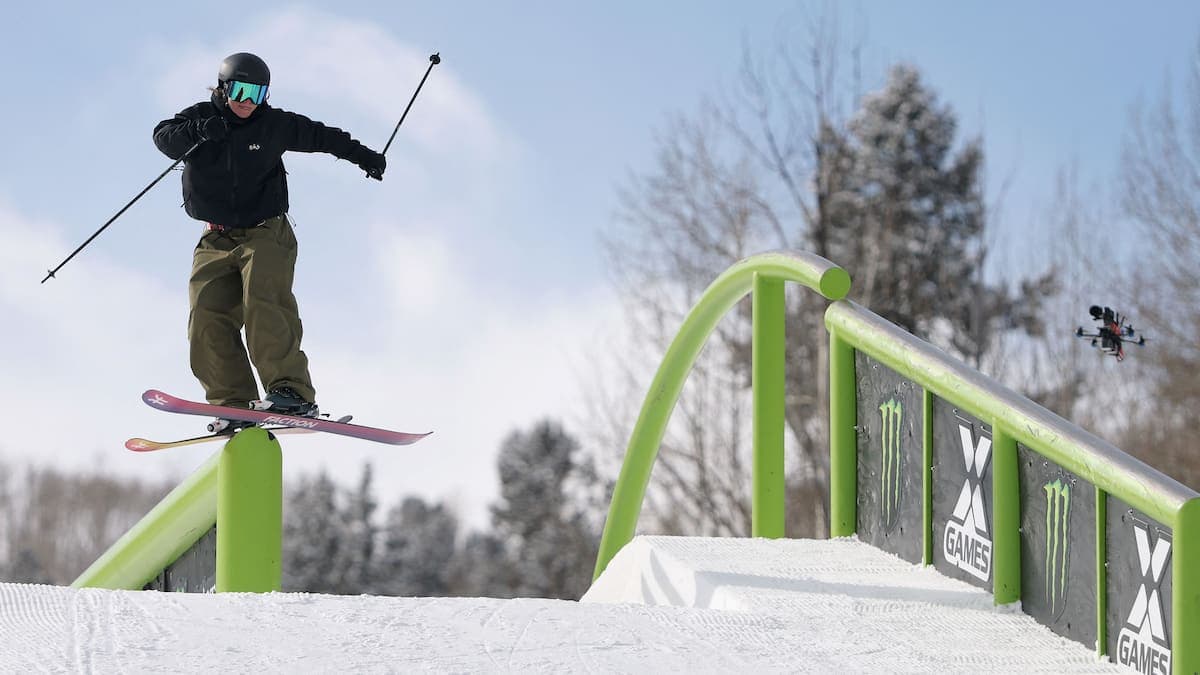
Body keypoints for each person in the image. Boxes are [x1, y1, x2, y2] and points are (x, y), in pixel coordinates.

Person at [153, 52, 386, 431]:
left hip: (265, 232)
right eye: (241, 90)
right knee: (206, 316)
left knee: (264, 302)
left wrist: (365, 157)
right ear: (224, 87)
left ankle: (290, 391)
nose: (249, 100)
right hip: (215, 237)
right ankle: (234, 402)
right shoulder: (199, 117)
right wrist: (197, 133)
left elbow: (323, 136)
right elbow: (163, 137)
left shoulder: (273, 125)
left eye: (258, 93)